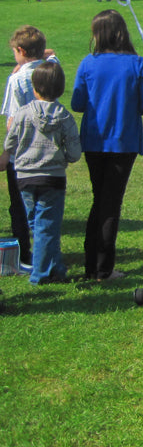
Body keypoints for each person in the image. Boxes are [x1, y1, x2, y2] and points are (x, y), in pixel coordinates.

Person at [71, 10, 143, 280]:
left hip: (94, 140)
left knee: (100, 200)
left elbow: (77, 103)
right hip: (124, 141)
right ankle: (102, 268)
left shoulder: (88, 63)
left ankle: (92, 264)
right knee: (110, 203)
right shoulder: (137, 64)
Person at [0, 62, 81, 285]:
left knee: (38, 224)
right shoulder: (64, 117)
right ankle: (41, 274)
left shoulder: (23, 114)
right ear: (61, 89)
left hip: (25, 176)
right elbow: (75, 152)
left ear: (34, 89)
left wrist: (10, 154)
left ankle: (56, 267)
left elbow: (10, 141)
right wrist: (63, 158)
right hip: (52, 177)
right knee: (46, 225)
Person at [1, 26, 58, 269]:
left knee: (20, 208)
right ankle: (48, 256)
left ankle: (23, 254)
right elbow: (53, 56)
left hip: (21, 155)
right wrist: (47, 56)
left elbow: (12, 121)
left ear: (21, 50)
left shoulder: (17, 80)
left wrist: (5, 153)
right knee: (45, 208)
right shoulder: (52, 73)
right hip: (47, 153)